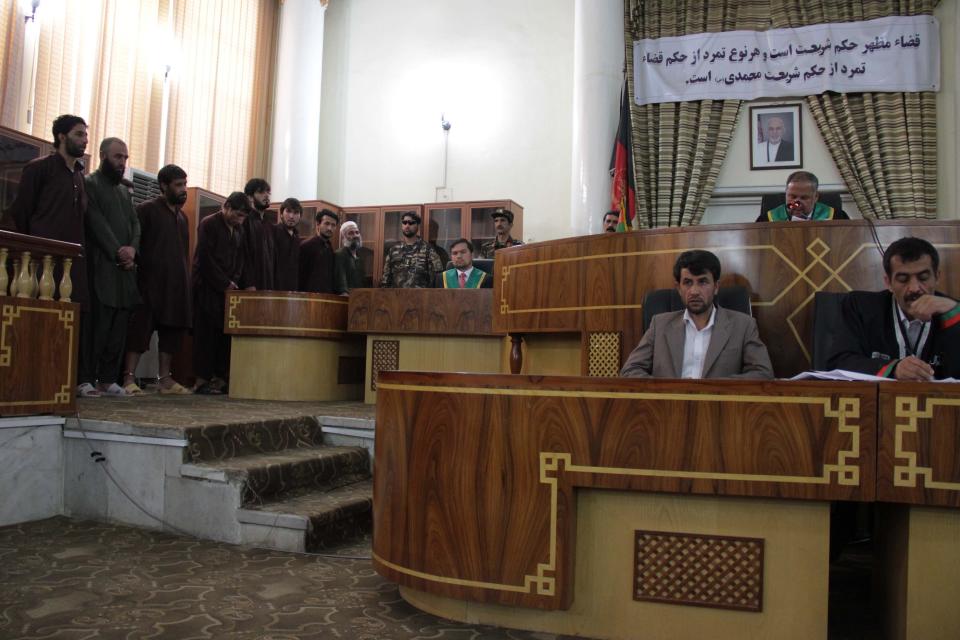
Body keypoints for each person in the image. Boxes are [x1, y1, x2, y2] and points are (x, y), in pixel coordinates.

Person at [6, 114, 96, 396]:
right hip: (41, 260)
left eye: (85, 134)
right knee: (38, 318)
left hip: (72, 262)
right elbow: (22, 213)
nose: (84, 139)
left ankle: (65, 379)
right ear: (61, 136)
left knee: (72, 318)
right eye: (79, 134)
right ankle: (30, 378)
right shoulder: (39, 168)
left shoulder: (79, 176)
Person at [620, 250, 774, 379]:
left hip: (719, 410)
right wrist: (667, 391)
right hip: (669, 410)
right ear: (679, 288)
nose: (694, 291)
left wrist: (709, 390)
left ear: (716, 287)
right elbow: (630, 371)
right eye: (687, 282)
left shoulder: (743, 325)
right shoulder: (659, 324)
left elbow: (763, 374)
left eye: (702, 282)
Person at [825, 237, 960, 380]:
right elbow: (838, 362)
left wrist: (955, 316)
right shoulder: (860, 307)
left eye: (923, 277)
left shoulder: (952, 311)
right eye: (903, 279)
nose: (914, 288)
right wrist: (894, 368)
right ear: (888, 282)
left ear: (937, 277)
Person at [122, 164, 193, 395]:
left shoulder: (182, 218)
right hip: (149, 283)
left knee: (171, 333)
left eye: (185, 184)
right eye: (178, 185)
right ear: (164, 186)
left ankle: (165, 379)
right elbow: (135, 243)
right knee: (140, 331)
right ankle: (128, 378)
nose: (183, 190)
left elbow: (183, 253)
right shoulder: (147, 209)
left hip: (175, 286)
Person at [83, 137, 140, 396]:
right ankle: (86, 379)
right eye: (118, 157)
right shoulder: (90, 184)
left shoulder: (123, 191)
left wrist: (132, 250)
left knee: (118, 330)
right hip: (102, 266)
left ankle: (107, 378)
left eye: (125, 158)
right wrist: (118, 251)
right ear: (103, 155)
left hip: (125, 271)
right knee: (98, 326)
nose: (122, 162)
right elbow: (95, 222)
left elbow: (135, 225)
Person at [191, 192, 250, 394]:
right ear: (226, 207)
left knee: (222, 334)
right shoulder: (209, 223)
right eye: (237, 214)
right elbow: (205, 259)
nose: (239, 219)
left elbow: (240, 258)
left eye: (243, 216)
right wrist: (224, 283)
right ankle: (201, 380)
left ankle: (218, 378)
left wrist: (234, 281)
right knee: (205, 335)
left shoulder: (239, 230)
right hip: (207, 286)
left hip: (228, 290)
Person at [380, 212, 443, 288]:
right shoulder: (393, 250)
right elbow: (386, 278)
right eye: (404, 223)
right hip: (397, 297)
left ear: (417, 226)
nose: (407, 226)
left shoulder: (428, 250)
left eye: (411, 223)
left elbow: (437, 278)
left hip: (421, 297)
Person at [757, 171, 849, 222]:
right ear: (786, 193)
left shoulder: (838, 217)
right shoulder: (766, 220)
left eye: (804, 198)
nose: (797, 203)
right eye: (792, 196)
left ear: (816, 196)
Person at [240, 178, 275, 290]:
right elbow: (243, 255)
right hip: (250, 286)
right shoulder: (244, 220)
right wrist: (248, 283)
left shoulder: (268, 224)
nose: (266, 195)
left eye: (268, 192)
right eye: (261, 192)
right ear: (250, 197)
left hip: (266, 283)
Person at [299, 209, 338, 293]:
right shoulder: (307, 246)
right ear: (318, 224)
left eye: (333, 225)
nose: (330, 228)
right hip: (309, 298)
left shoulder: (330, 248)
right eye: (326, 224)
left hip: (325, 297)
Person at [273, 197, 302, 291]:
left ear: (300, 216)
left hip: (292, 289)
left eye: (296, 212)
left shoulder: (297, 237)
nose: (291, 216)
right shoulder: (273, 232)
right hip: (274, 287)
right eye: (288, 211)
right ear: (281, 214)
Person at [334, 220, 368, 294]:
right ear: (343, 237)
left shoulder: (359, 256)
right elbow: (341, 283)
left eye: (357, 232)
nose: (355, 235)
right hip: (346, 300)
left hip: (359, 299)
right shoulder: (340, 255)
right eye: (351, 233)